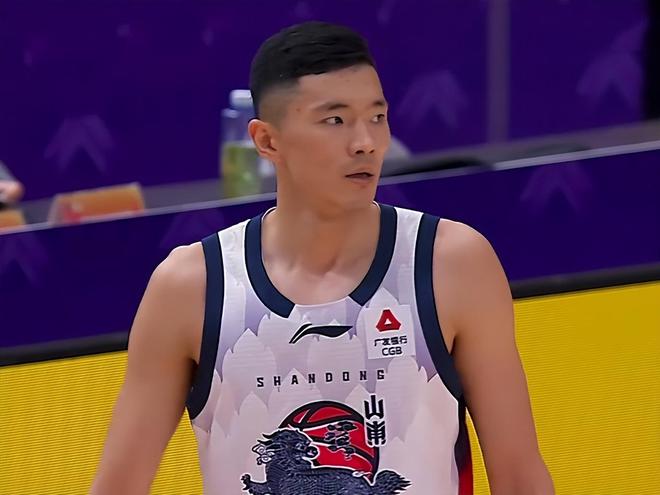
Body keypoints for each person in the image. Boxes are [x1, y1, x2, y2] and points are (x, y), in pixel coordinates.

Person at [90, 21, 554, 495]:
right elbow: (118, 486)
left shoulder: (452, 262)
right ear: (267, 141)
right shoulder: (191, 286)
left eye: (377, 116)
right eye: (335, 120)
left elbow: (519, 475)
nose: (366, 142)